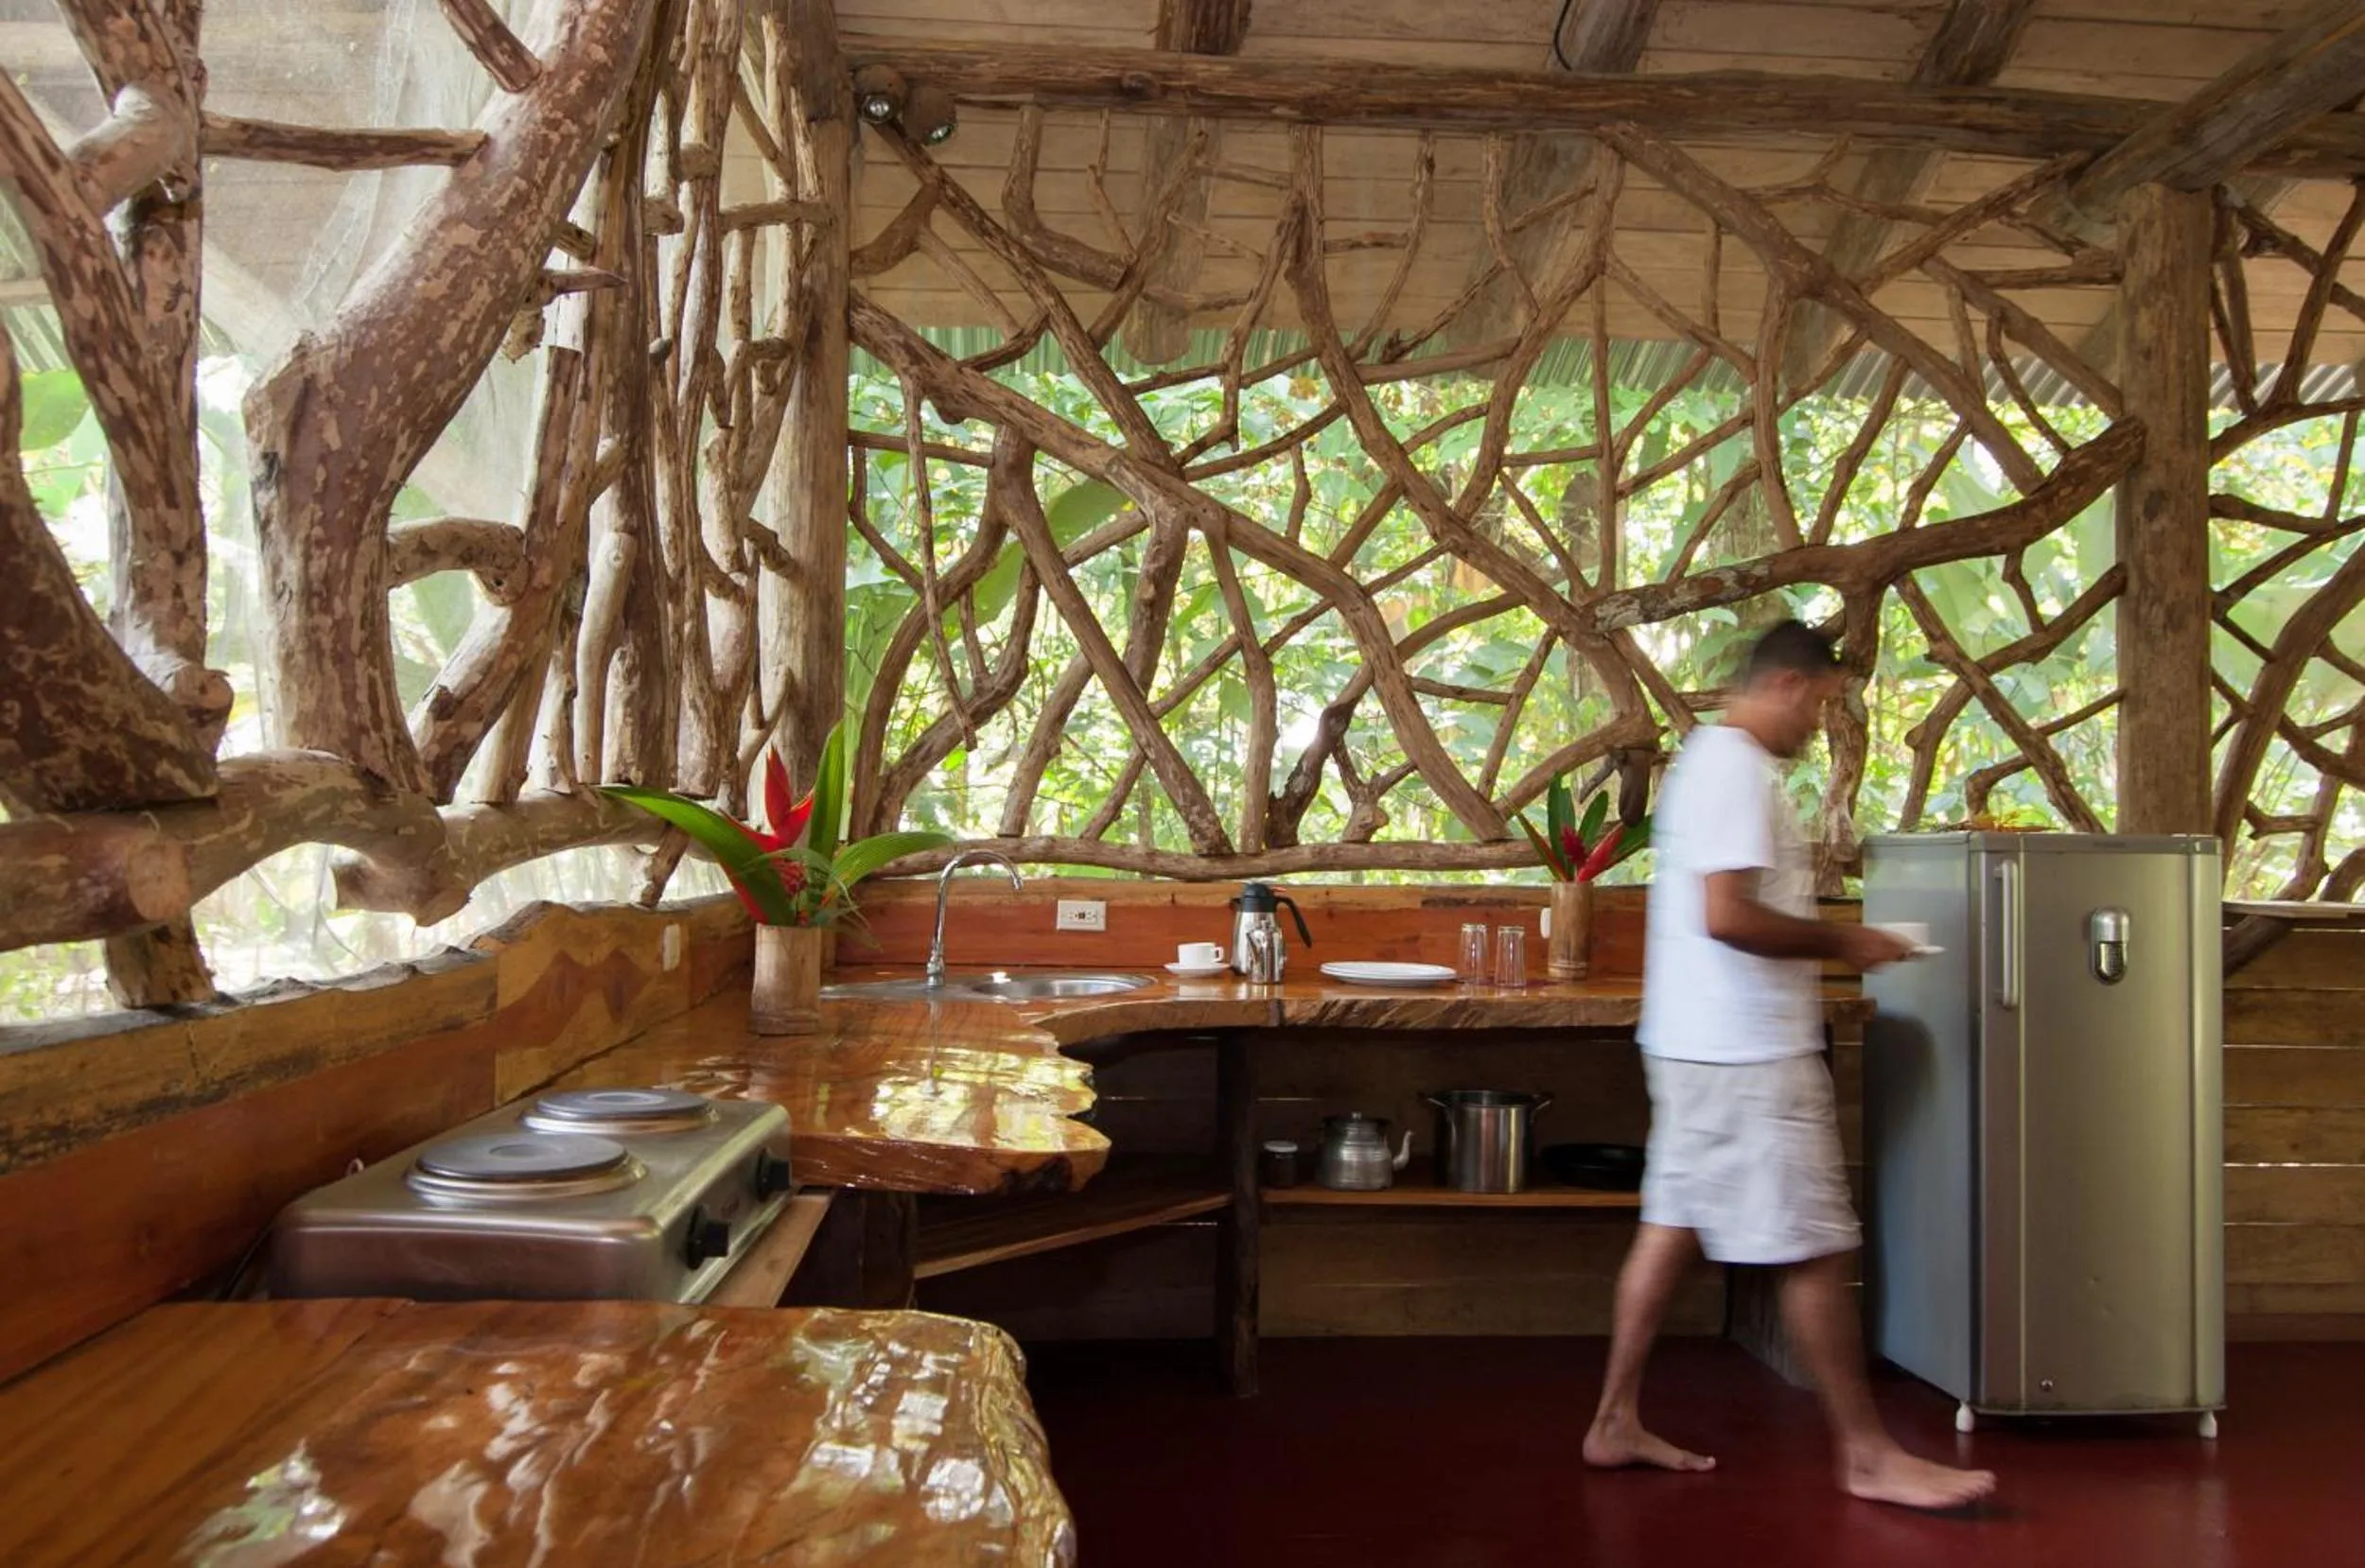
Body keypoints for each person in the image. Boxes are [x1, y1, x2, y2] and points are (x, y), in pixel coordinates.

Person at [1582, 618, 1997, 1511]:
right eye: (1823, 704)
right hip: (1746, 1050)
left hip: (1694, 1042)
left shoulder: (1704, 760)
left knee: (1673, 1227)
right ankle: (1868, 1456)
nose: (1822, 725)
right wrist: (1846, 939)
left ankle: (1614, 1419)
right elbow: (1726, 917)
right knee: (1814, 1245)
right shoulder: (1734, 769)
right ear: (1790, 685)